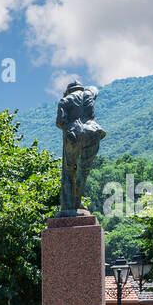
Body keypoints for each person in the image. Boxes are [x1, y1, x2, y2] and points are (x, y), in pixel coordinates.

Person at [56, 81, 107, 215]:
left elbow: (60, 122)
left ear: (68, 91)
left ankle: (68, 207)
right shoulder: (89, 93)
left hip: (74, 134)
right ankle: (77, 202)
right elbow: (95, 90)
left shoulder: (64, 101)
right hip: (93, 131)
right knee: (83, 171)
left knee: (69, 170)